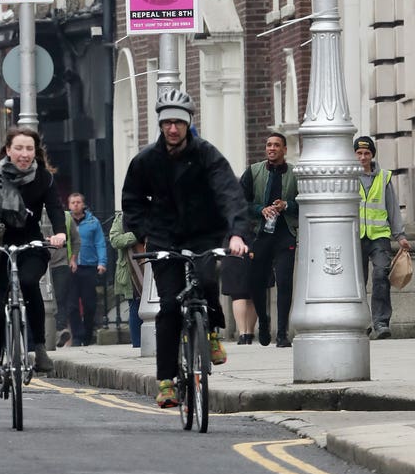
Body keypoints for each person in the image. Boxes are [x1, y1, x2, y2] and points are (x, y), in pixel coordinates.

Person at [122, 89, 250, 409]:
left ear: (189, 122)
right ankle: (166, 381)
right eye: (167, 123)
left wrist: (236, 234)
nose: (173, 128)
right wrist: (142, 235)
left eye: (179, 122)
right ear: (161, 125)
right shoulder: (147, 160)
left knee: (206, 282)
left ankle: (212, 333)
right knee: (167, 307)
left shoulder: (208, 154)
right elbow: (132, 201)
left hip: (204, 233)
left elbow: (229, 194)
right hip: (164, 237)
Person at [0, 127, 67, 406]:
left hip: (29, 245)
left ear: (36, 152)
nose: (24, 154)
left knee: (30, 283)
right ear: (8, 150)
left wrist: (60, 232)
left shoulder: (43, 178)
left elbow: (56, 208)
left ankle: (39, 348)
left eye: (29, 149)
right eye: (19, 148)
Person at [240, 132, 298, 348]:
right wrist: (259, 209)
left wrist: (287, 205)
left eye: (276, 145)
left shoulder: (295, 173)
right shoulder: (254, 172)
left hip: (285, 234)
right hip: (260, 235)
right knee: (256, 282)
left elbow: (304, 202)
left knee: (284, 282)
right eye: (269, 145)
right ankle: (263, 322)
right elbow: (240, 203)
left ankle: (282, 333)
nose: (271, 148)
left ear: (284, 149)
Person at [356, 135, 410, 339]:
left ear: (372, 155)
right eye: (359, 153)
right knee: (358, 282)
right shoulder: (348, 178)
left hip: (380, 237)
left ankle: (380, 322)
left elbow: (393, 208)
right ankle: (361, 322)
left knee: (381, 276)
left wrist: (400, 235)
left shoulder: (384, 177)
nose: (363, 157)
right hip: (356, 237)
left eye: (366, 153)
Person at [67, 192, 107, 346]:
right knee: (72, 305)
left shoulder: (93, 222)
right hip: (71, 267)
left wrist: (102, 262)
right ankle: (77, 336)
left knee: (89, 304)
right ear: (69, 205)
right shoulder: (66, 221)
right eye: (73, 202)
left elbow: (100, 243)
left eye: (78, 202)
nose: (76, 205)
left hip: (89, 266)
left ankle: (88, 335)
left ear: (83, 204)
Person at [109, 211, 143, 348]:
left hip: (154, 267)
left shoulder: (154, 212)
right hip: (131, 270)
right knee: (135, 307)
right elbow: (115, 240)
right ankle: (138, 345)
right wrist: (137, 234)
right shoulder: (121, 218)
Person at [49, 207, 80, 348]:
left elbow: (76, 240)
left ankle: (61, 330)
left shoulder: (66, 217)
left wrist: (73, 259)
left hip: (61, 263)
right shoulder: (31, 211)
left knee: (60, 298)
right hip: (40, 263)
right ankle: (46, 333)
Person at [220, 253, 258, 344]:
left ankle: (242, 333)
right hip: (253, 252)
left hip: (233, 255)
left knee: (238, 296)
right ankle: (249, 333)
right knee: (253, 296)